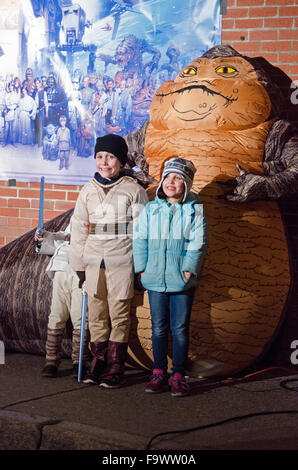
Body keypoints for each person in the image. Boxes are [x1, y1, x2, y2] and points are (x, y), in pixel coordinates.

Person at [69, 134, 148, 388]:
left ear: (121, 160)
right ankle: (98, 361)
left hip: (121, 259)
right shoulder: (88, 189)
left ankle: (115, 365)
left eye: (110, 157)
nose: (104, 162)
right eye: (100, 156)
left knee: (120, 314)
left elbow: (142, 231)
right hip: (94, 262)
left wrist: (140, 267)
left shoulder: (133, 190)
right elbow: (79, 227)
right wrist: (79, 265)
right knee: (97, 314)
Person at [133, 157, 207, 397]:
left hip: (181, 280)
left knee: (180, 328)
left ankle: (178, 375)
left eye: (178, 178)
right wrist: (142, 269)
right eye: (168, 177)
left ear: (186, 183)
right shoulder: (151, 210)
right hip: (154, 277)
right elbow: (140, 240)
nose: (171, 182)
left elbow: (198, 242)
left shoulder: (195, 209)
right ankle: (158, 373)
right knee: (158, 329)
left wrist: (188, 270)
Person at [35, 220, 90, 379]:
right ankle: (51, 360)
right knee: (57, 315)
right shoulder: (78, 213)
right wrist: (45, 237)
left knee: (80, 316)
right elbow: (64, 236)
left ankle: (79, 362)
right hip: (62, 268)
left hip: (83, 270)